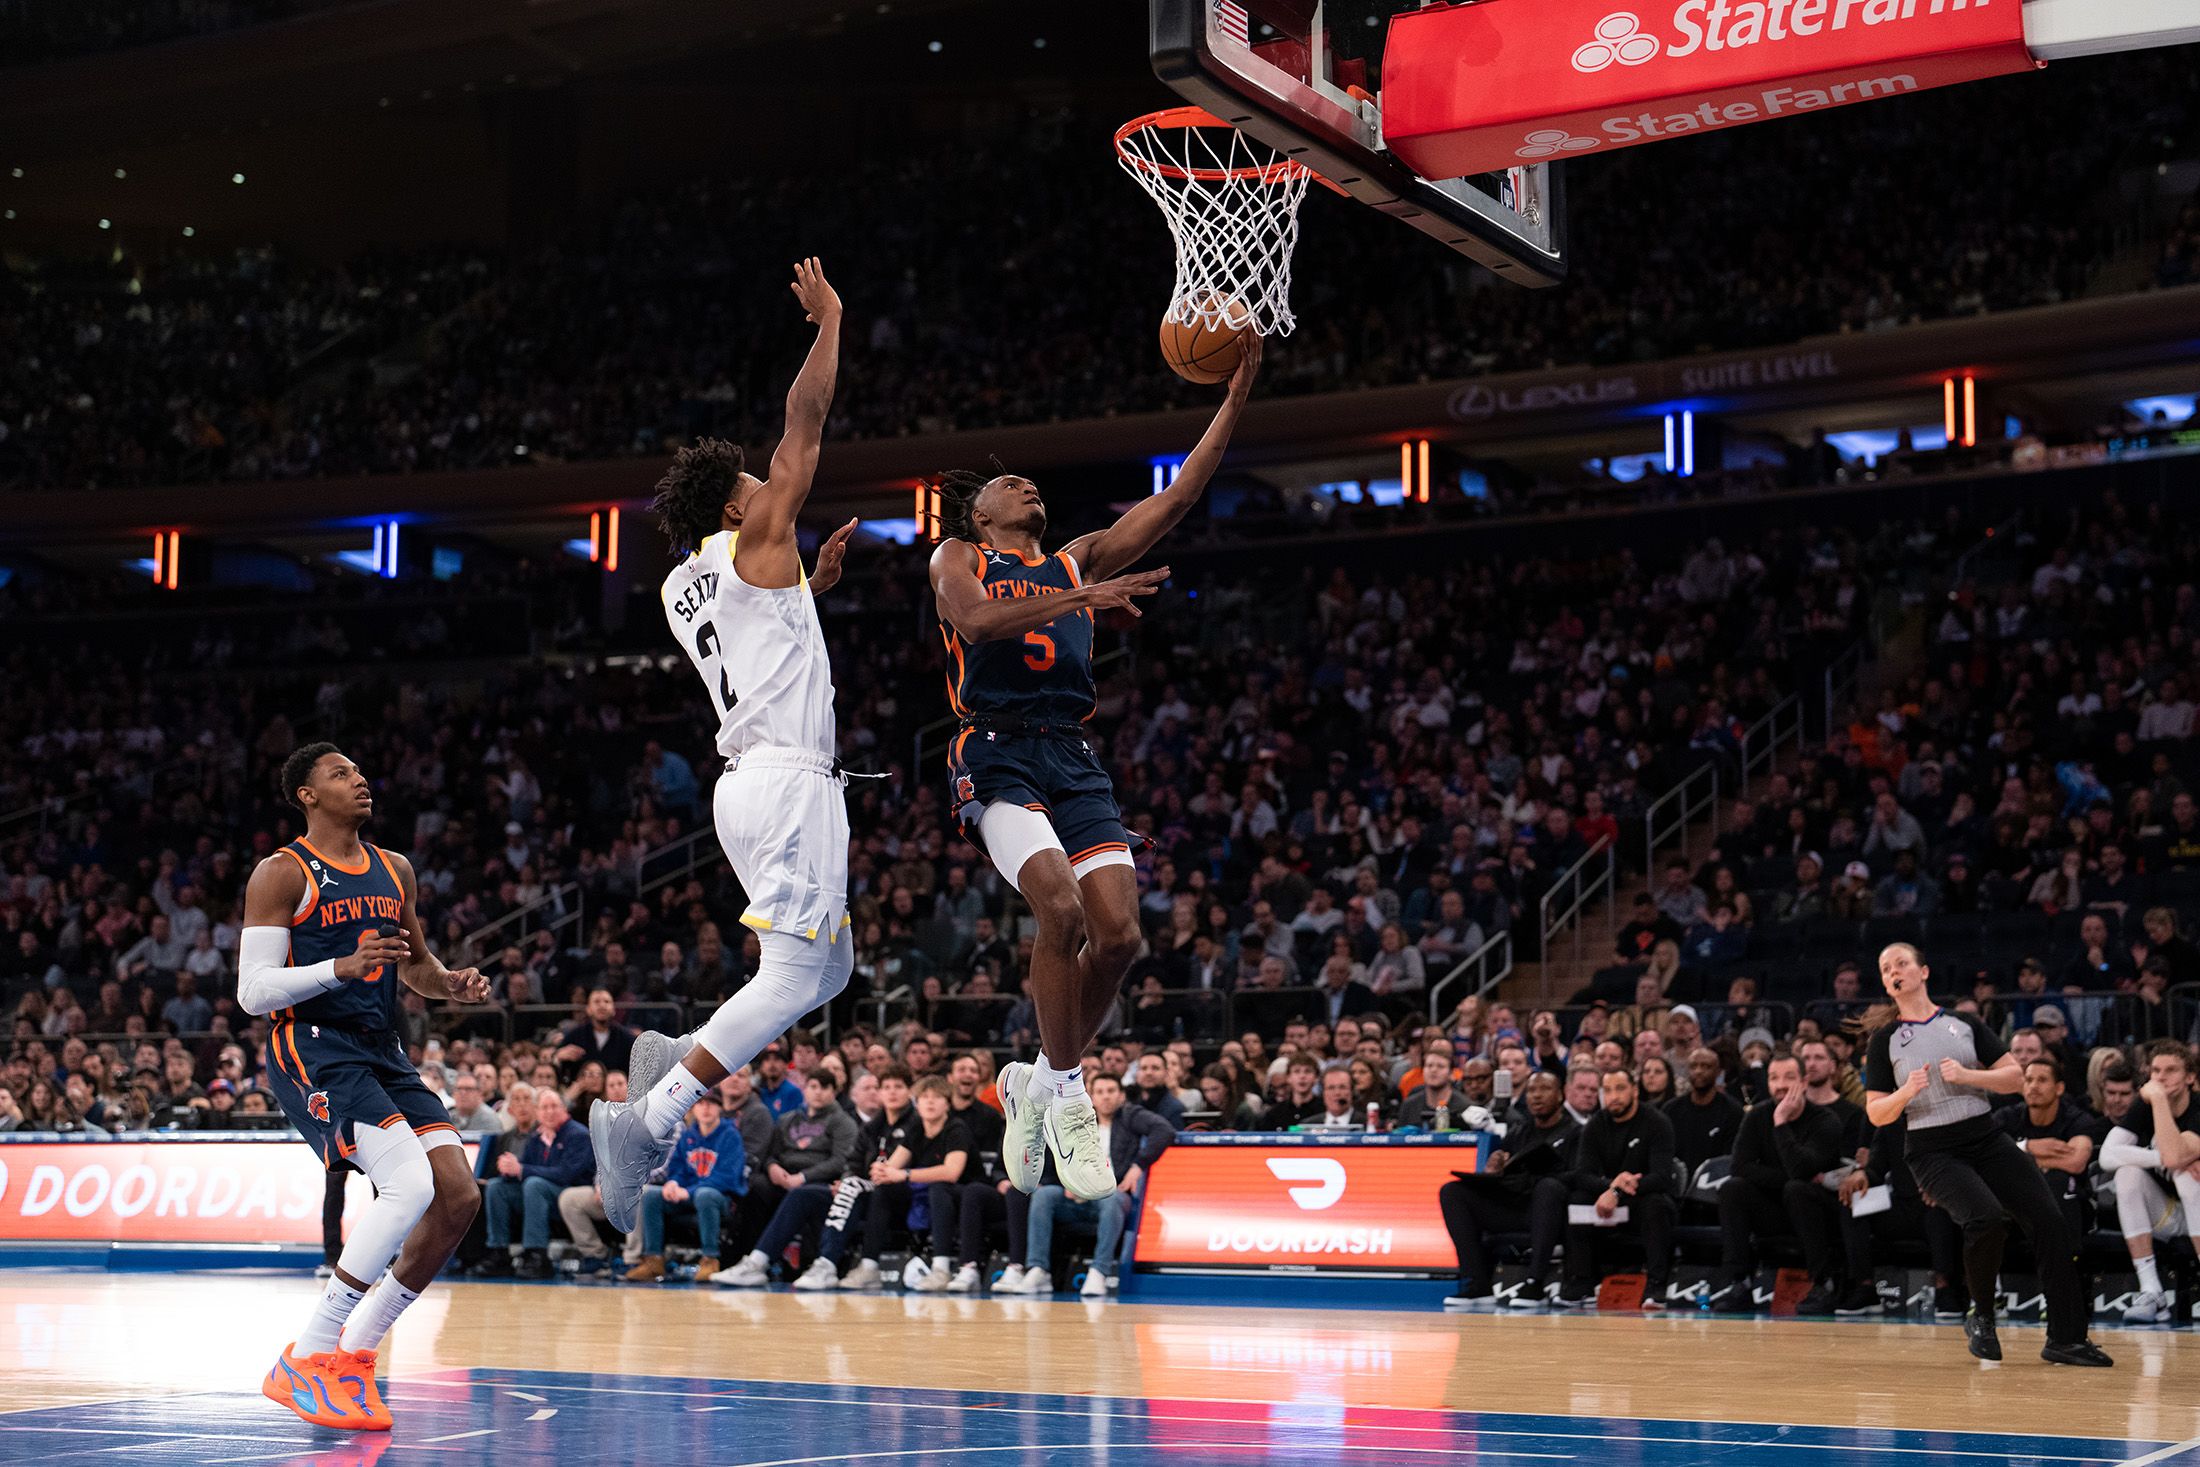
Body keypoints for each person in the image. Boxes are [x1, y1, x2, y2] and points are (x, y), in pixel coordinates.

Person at [926, 335, 1262, 1203]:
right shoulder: (959, 559)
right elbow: (977, 624)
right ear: (982, 517)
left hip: (1072, 757)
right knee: (1062, 907)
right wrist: (1082, 598)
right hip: (995, 748)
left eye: (1029, 483)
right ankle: (1072, 1097)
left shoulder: (1076, 555)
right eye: (1007, 485)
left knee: (1122, 937)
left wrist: (1235, 397)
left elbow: (1183, 492)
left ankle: (1035, 1078)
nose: (1025, 485)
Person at [591, 260, 864, 1235]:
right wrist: (828, 321)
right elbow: (806, 421)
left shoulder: (682, 585)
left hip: (748, 781)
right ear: (733, 511)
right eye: (755, 490)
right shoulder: (753, 538)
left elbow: (758, 642)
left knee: (827, 971)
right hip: (787, 784)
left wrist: (808, 594)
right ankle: (647, 1120)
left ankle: (677, 1054)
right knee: (795, 976)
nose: (771, 493)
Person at [239, 743, 490, 1432]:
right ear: (307, 795)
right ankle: (310, 1352)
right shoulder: (281, 872)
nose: (360, 778)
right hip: (314, 1046)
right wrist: (340, 968)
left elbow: (414, 964)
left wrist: (451, 984)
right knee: (407, 1181)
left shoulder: (393, 868)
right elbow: (253, 992)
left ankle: (354, 1351)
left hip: (383, 1048)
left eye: (358, 770)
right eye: (340, 773)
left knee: (458, 1194)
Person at [1860, 942, 2111, 1366]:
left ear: (1923, 971)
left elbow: (2015, 1077)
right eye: (1886, 969)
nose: (1893, 972)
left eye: (1901, 963)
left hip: (1985, 1136)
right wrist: (1906, 1091)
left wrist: (1969, 1075)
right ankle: (1982, 1316)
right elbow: (1877, 1112)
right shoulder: (1885, 1040)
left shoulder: (1963, 1023)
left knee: (2050, 1221)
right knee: (1986, 1218)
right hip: (1931, 1147)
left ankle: (2066, 1339)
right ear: (1886, 983)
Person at [1014, 1073, 1175, 1297]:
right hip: (1076, 1197)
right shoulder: (1074, 1119)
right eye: (1099, 1092)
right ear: (1091, 1096)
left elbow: (1164, 1131)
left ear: (1121, 1096)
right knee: (1045, 1196)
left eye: (1111, 1091)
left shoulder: (1130, 1116)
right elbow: (1056, 1159)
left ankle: (1099, 1271)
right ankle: (1038, 1269)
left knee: (1112, 1200)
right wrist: (1068, 1183)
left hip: (1111, 1195)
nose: (1106, 1097)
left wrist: (1138, 1165)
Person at [1711, 1054, 1846, 1315]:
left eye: (1788, 1077)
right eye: (1773, 1078)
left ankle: (1823, 1283)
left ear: (1804, 1082)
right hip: (1777, 1208)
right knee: (1733, 1188)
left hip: (1819, 1211)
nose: (1780, 1085)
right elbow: (1740, 1166)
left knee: (1798, 1190)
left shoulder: (1825, 1120)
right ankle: (1739, 1282)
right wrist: (1790, 1178)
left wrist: (1781, 1122)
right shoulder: (1756, 1116)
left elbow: (1801, 1169)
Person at [1438, 1071, 1580, 1308]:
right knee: (1452, 1191)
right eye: (1532, 1091)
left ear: (1560, 1095)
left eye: (1544, 1089)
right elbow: (1503, 1178)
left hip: (1552, 1213)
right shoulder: (1519, 1131)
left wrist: (1536, 1179)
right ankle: (1478, 1283)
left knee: (1548, 1187)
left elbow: (1579, 1176)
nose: (1537, 1096)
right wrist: (1493, 1172)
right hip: (1516, 1207)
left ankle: (1534, 1282)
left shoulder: (1576, 1131)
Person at [1558, 1068, 1678, 1308]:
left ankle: (1656, 1285)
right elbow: (1582, 1174)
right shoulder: (1595, 1124)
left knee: (1656, 1203)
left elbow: (1662, 1177)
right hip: (1608, 1201)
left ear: (1634, 1090)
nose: (1613, 1096)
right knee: (1576, 1198)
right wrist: (1611, 1187)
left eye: (1620, 1089)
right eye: (1608, 1090)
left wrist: (1619, 1190)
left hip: (1641, 1199)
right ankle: (1582, 1281)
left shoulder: (1656, 1122)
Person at [2099, 1040, 2200, 1325]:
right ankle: (2151, 1291)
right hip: (2172, 1215)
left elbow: (2174, 1155)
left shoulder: (2196, 1108)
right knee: (2126, 1173)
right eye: (2155, 1070)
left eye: (2171, 1070)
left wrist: (2157, 1101)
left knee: (2187, 1175)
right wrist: (2159, 1158)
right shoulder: (2143, 1107)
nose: (2161, 1078)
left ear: (2190, 1077)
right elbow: (2108, 1156)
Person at [627, 1091, 747, 1283]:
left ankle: (710, 1259)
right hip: (688, 1195)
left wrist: (687, 1191)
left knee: (705, 1194)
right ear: (693, 1108)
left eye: (711, 1103)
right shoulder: (689, 1135)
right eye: (700, 1104)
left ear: (720, 1108)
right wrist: (673, 1183)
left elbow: (726, 1177)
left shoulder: (730, 1135)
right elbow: (678, 1168)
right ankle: (653, 1260)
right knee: (650, 1195)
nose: (705, 1108)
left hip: (721, 1199)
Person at [475, 1088, 593, 1280]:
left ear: (565, 1110)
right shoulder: (537, 1137)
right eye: (544, 1107)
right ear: (538, 1112)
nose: (549, 1111)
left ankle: (537, 1254)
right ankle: (499, 1252)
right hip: (539, 1196)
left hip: (570, 1194)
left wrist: (520, 1169)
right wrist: (509, 1170)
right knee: (497, 1187)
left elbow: (566, 1174)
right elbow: (525, 1168)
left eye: (554, 1106)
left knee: (534, 1184)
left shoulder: (578, 1134)